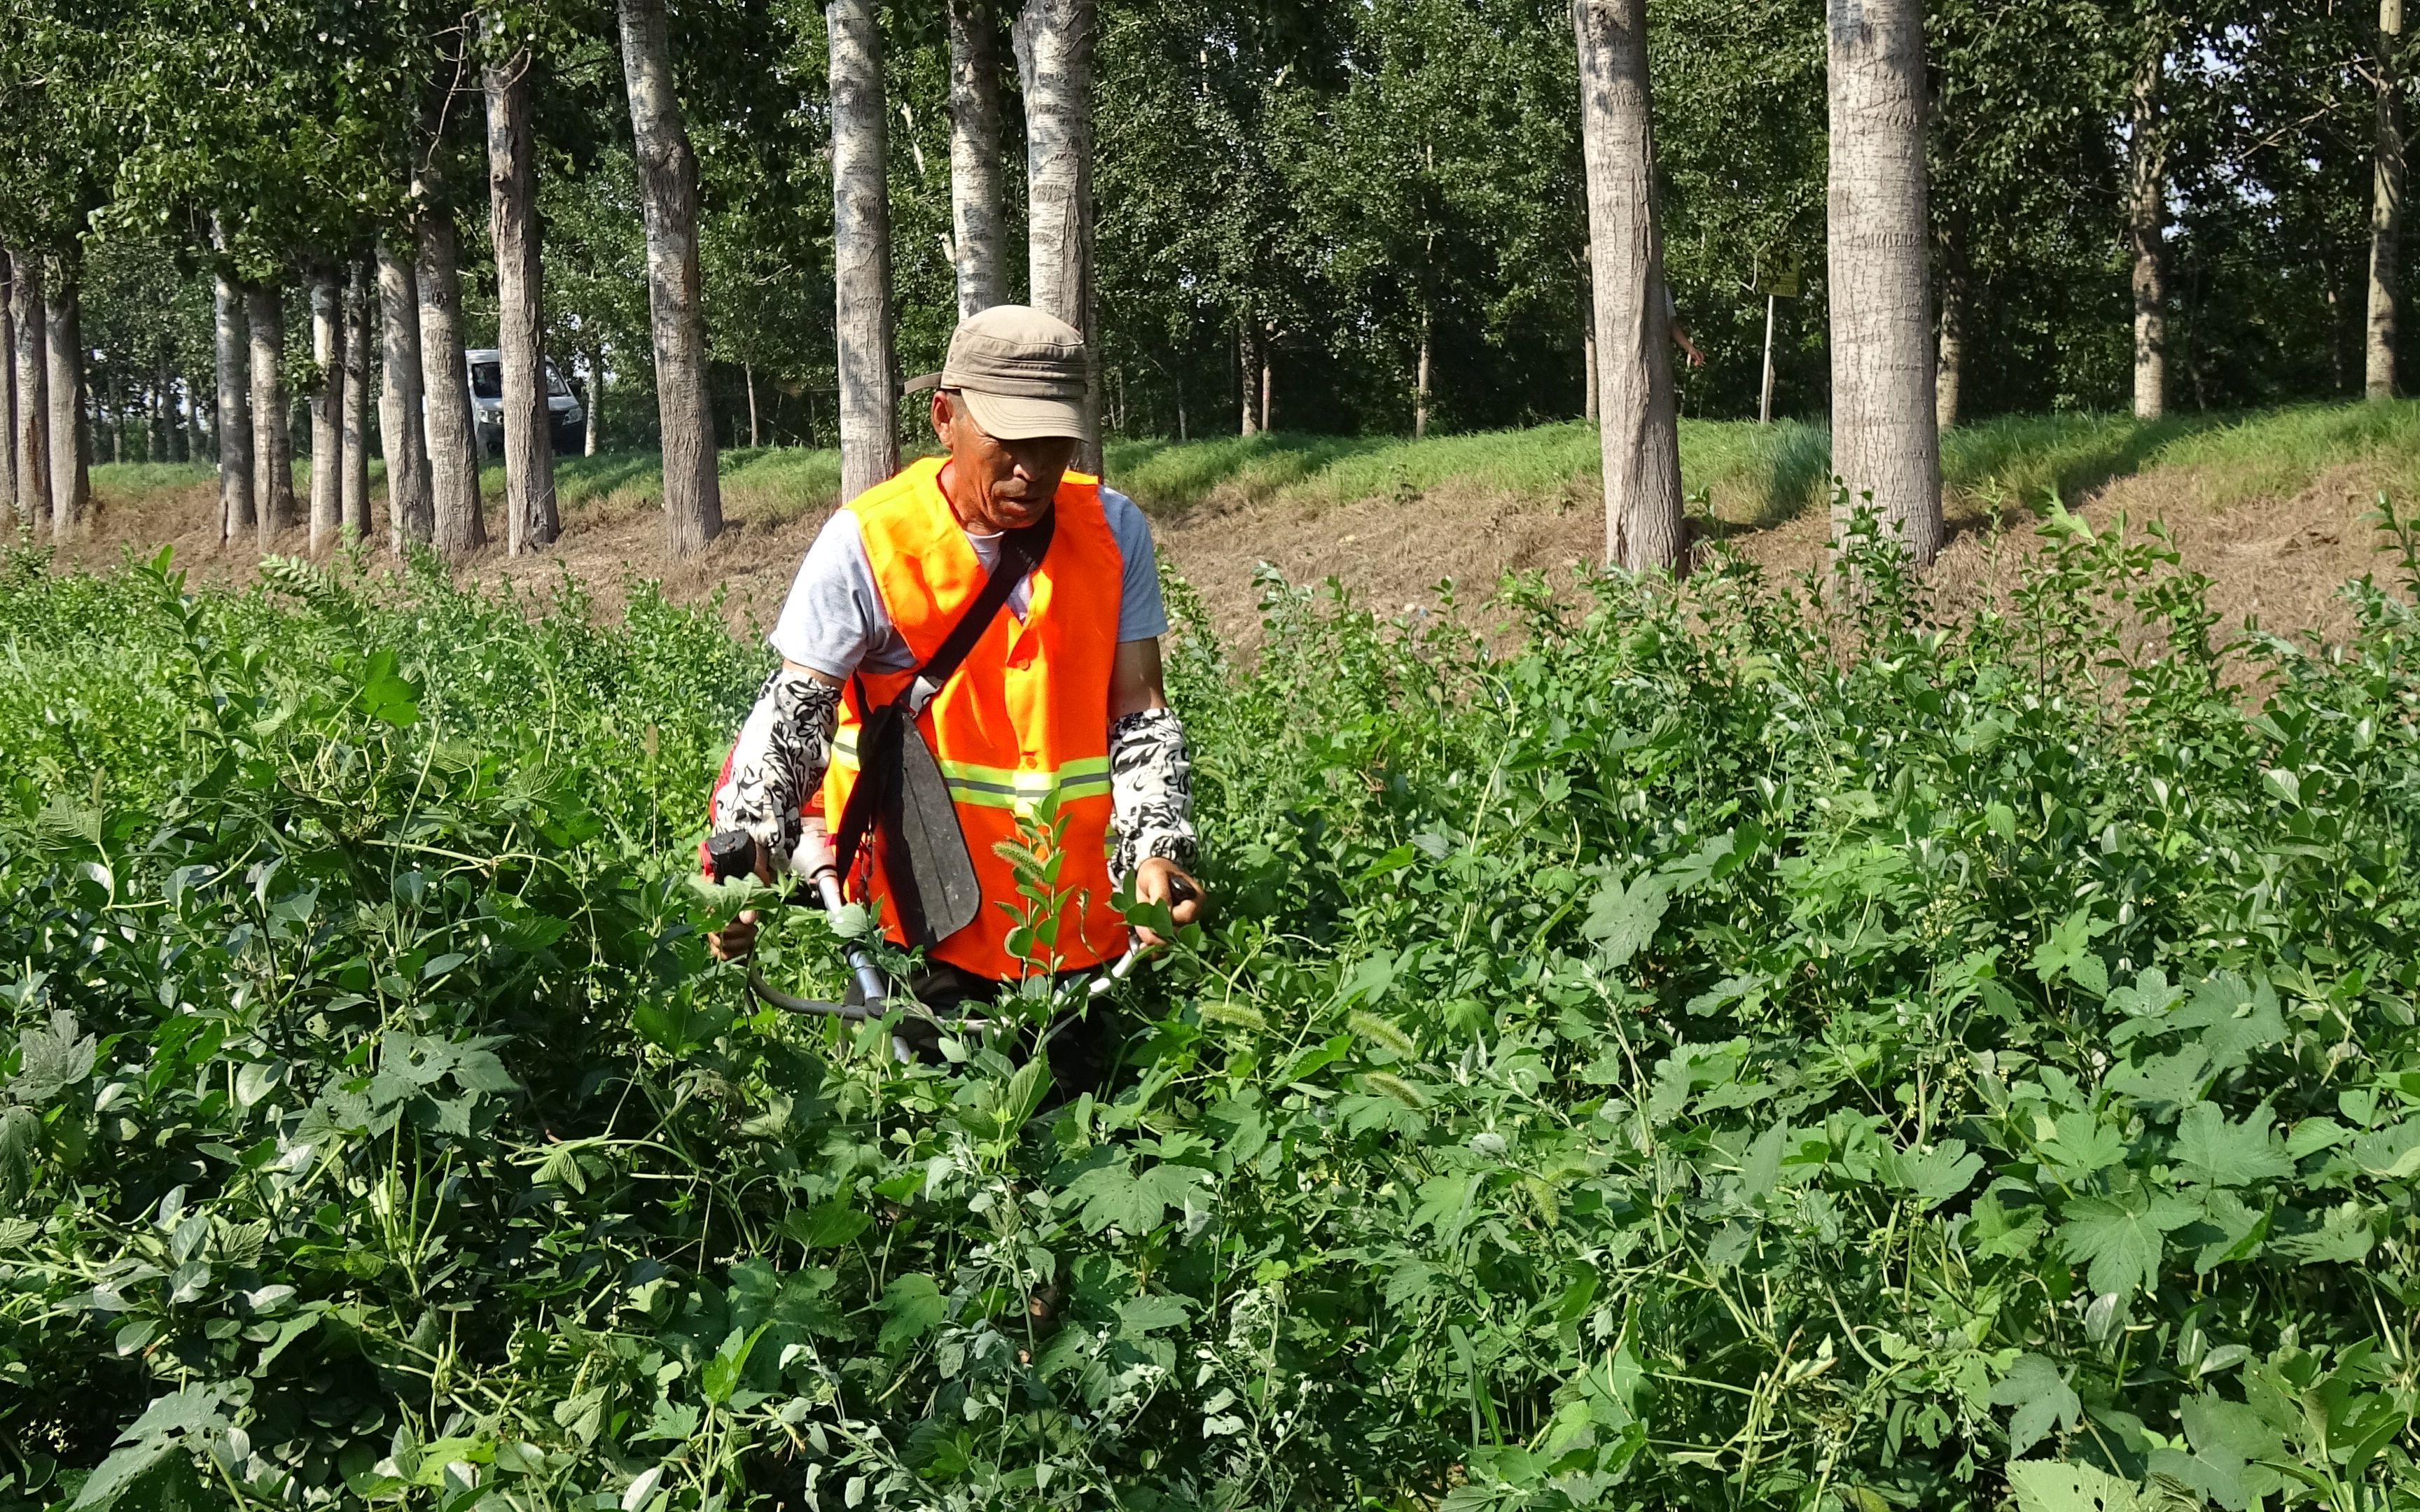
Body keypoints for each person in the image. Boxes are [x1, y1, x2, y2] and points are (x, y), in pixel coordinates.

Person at [705, 304, 1206, 1093]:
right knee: (928, 1177)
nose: (1033, 469)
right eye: (1009, 441)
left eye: (1053, 441)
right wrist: (742, 865)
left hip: (1080, 935)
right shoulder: (869, 542)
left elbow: (1139, 710)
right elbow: (791, 718)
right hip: (923, 924)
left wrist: (1158, 846)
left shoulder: (1113, 532)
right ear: (945, 416)